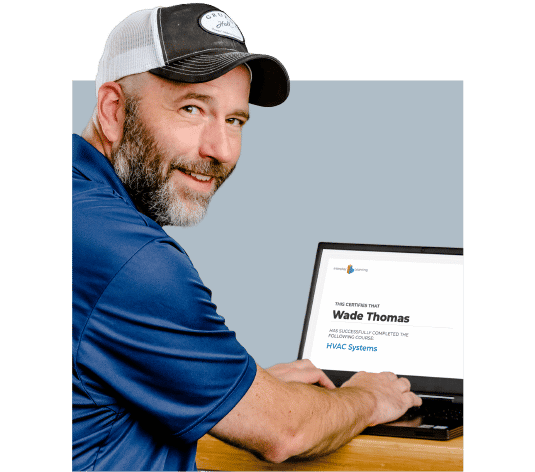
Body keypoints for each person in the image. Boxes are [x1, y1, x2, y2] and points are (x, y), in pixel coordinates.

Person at [72, 3, 422, 470]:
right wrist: (366, 396)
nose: (219, 149)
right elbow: (285, 432)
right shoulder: (132, 259)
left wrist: (235, 387)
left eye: (235, 120)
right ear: (113, 110)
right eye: (192, 108)